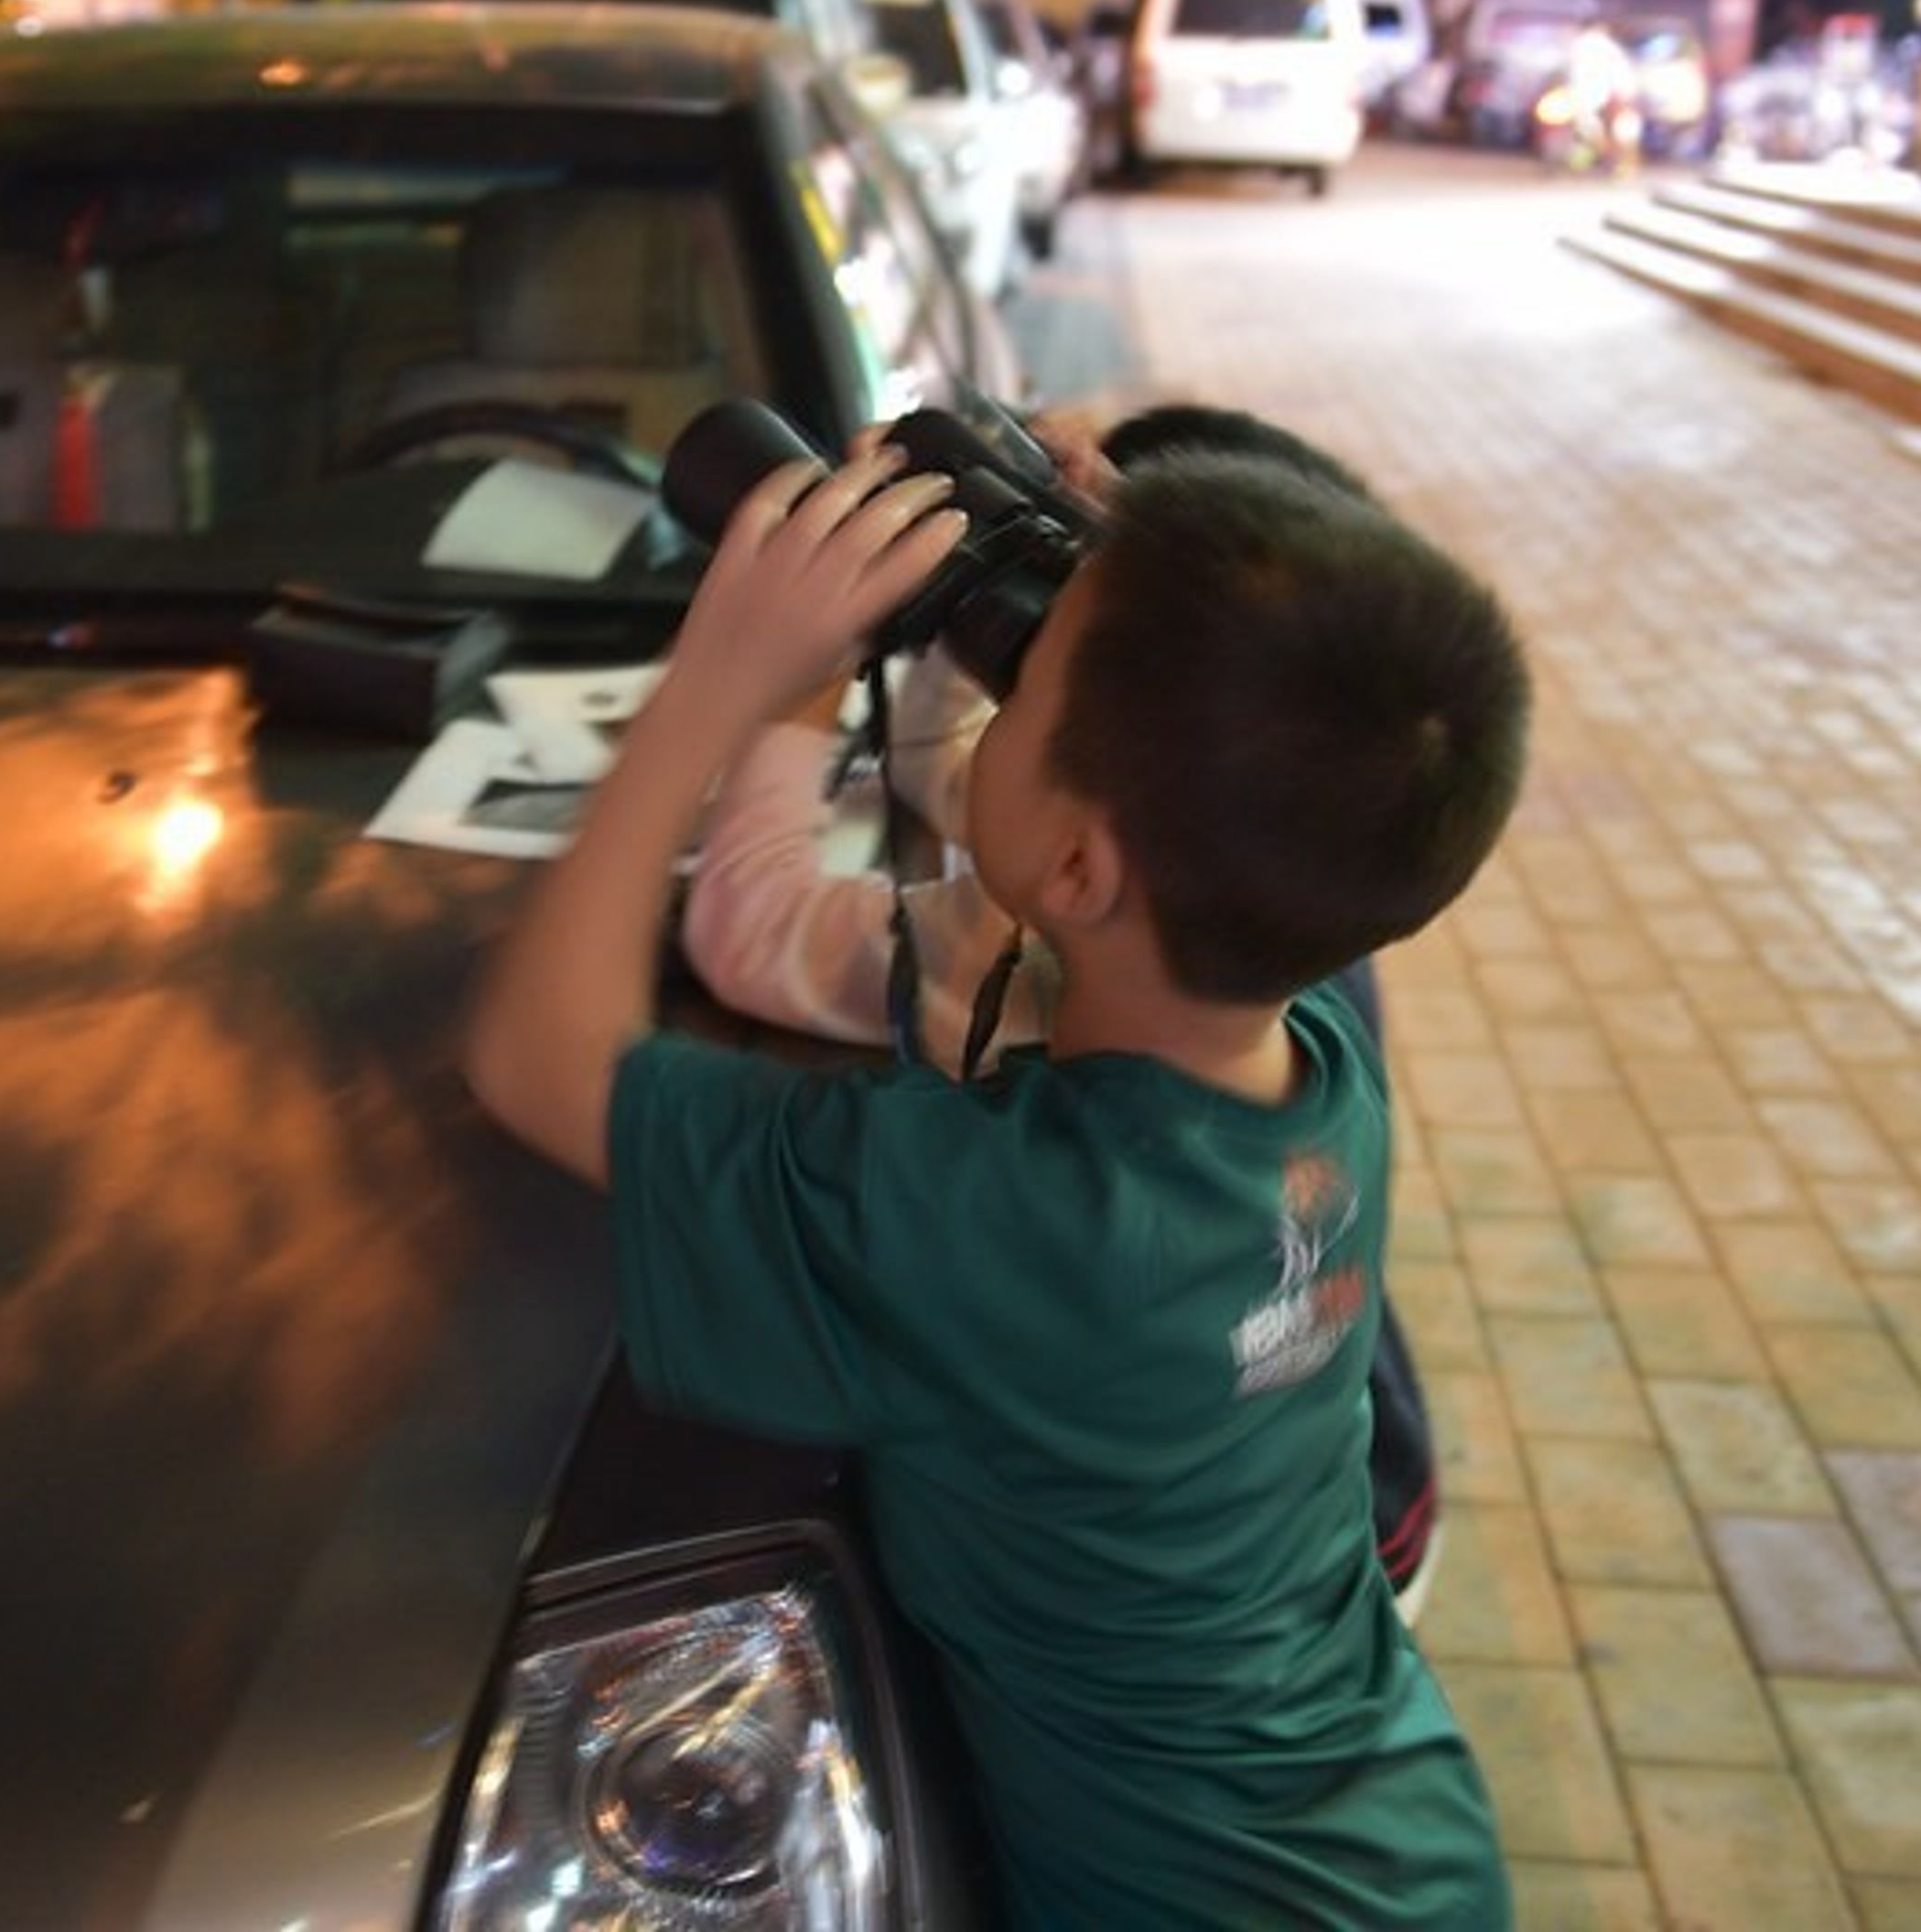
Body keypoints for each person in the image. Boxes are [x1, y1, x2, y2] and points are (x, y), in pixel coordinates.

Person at [464, 427, 1531, 1927]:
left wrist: (722, 680)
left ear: (1087, 872)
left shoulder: (999, 1219)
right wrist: (1168, 594)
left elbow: (530, 1051)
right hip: (1397, 1845)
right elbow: (1207, 784)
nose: (1003, 687)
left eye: (1023, 686)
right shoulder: (1310, 1078)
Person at [675, 402, 1452, 1621]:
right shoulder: (1276, 866)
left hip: (1248, 1593)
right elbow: (987, 768)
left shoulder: (1039, 944)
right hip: (1351, 1488)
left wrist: (795, 688)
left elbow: (748, 930)